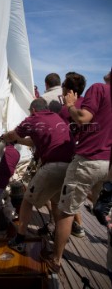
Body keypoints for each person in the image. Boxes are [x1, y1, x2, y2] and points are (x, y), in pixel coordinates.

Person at [40, 78, 112, 273]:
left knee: (66, 211)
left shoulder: (99, 89)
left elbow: (82, 118)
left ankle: (56, 259)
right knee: (108, 214)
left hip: (88, 161)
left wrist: (70, 105)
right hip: (108, 164)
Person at [1, 98, 75, 253]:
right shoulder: (56, 118)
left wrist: (4, 137)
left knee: (27, 201)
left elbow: (13, 134)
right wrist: (19, 141)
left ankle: (19, 239)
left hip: (52, 166)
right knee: (57, 203)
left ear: (33, 110)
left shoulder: (33, 119)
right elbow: (33, 142)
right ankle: (57, 236)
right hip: (70, 167)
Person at [59, 72, 87, 238]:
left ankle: (68, 228)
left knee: (67, 194)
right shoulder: (87, 105)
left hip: (70, 155)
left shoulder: (65, 111)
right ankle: (80, 225)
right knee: (76, 193)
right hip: (85, 155)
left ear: (67, 91)